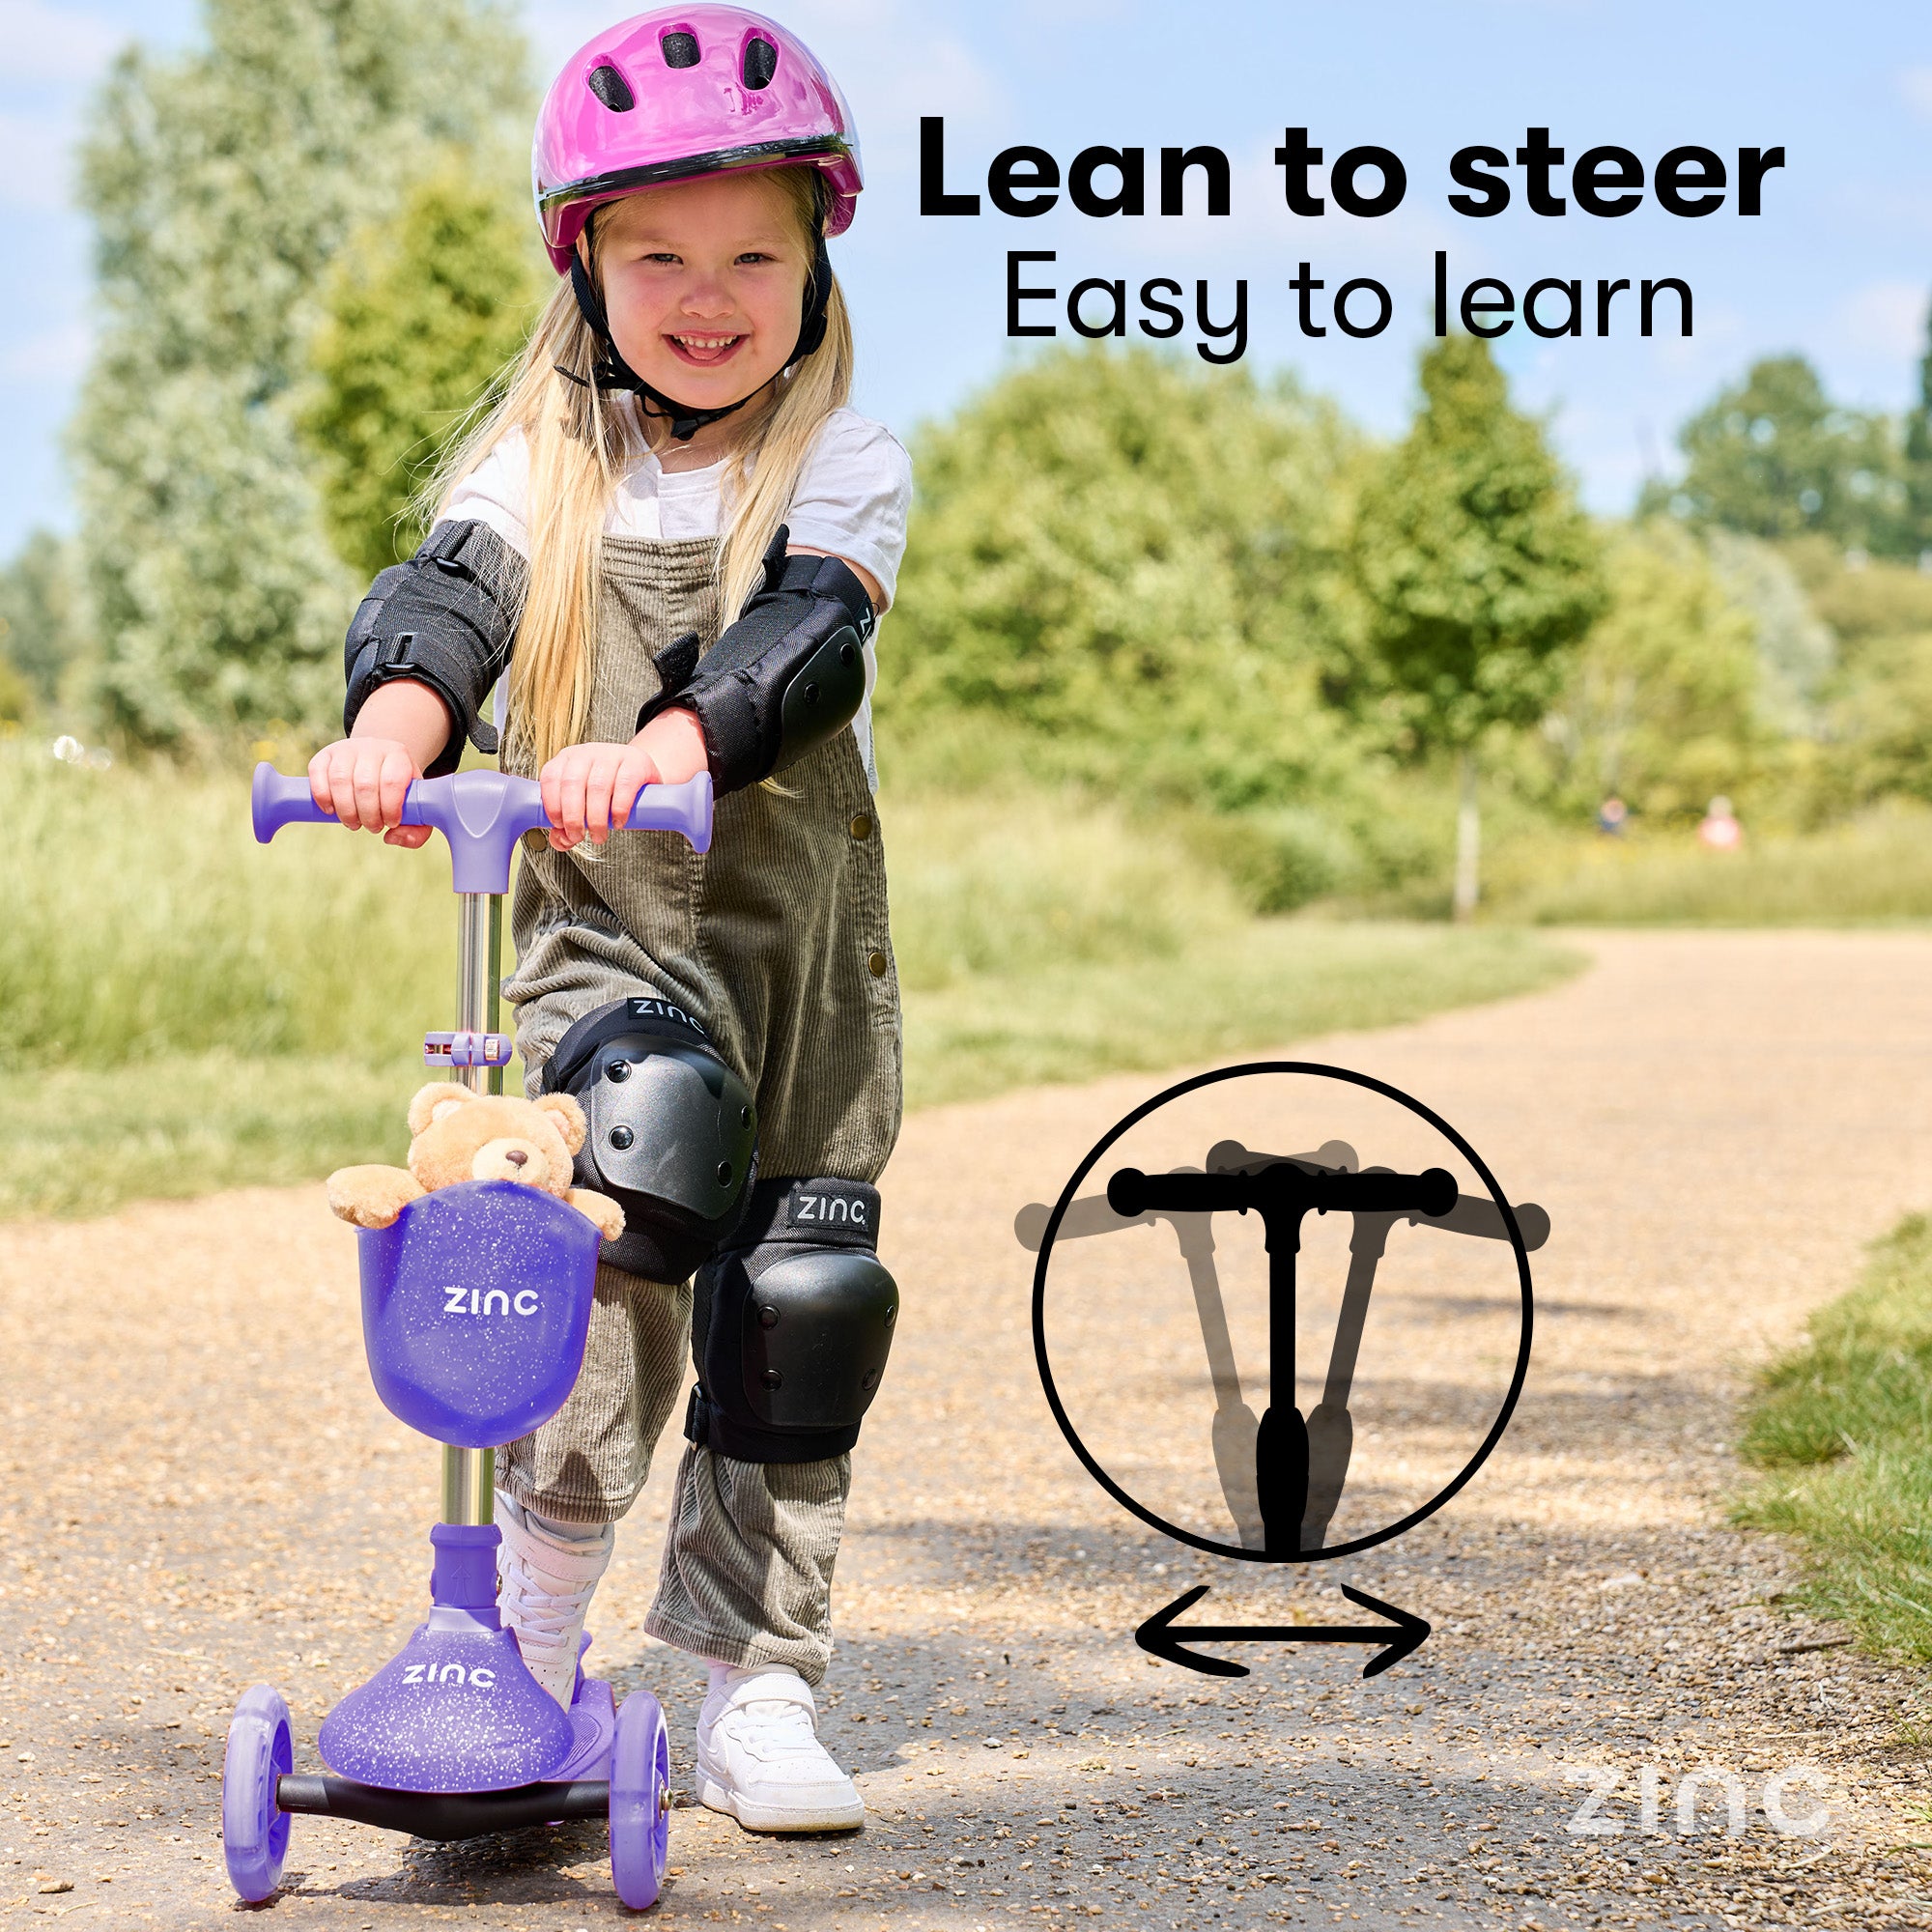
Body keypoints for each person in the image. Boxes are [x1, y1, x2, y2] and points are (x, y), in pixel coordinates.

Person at [304, 6, 908, 1835]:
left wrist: (670, 740)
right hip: (606, 951)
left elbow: (806, 638)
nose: (707, 298)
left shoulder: (842, 452)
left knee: (799, 1301)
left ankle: (754, 1684)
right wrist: (391, 733)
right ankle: (539, 1639)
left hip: (802, 965)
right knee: (626, 1192)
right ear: (585, 262)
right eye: (660, 258)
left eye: (752, 259)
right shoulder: (542, 464)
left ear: (815, 266)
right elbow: (448, 604)